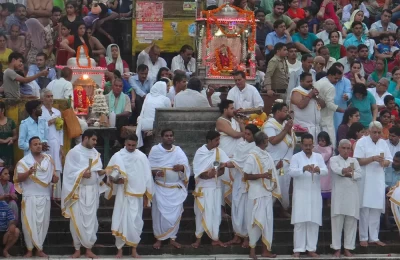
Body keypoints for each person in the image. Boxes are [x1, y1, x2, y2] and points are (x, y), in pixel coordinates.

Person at [61, 130, 108, 259]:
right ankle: (77, 249)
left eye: (96, 140)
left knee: (91, 221)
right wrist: (81, 174)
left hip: (92, 191)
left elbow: (98, 171)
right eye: (93, 139)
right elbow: (68, 173)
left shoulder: (95, 154)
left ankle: (88, 249)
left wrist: (103, 172)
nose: (95, 142)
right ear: (85, 138)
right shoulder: (74, 152)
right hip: (78, 192)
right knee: (77, 220)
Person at [106, 134, 153, 258]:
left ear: (137, 144)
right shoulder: (118, 156)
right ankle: (120, 250)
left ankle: (134, 250)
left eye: (133, 145)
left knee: (136, 222)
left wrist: (146, 196)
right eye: (129, 145)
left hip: (137, 195)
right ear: (124, 143)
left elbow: (147, 177)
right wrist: (116, 181)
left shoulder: (142, 157)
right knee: (120, 220)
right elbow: (110, 175)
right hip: (123, 194)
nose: (131, 147)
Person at [15, 136, 57, 258]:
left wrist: (55, 179)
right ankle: (29, 249)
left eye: (39, 144)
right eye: (35, 144)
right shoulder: (24, 162)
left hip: (44, 196)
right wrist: (28, 172)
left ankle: (39, 248)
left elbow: (53, 177)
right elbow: (18, 178)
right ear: (30, 146)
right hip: (29, 197)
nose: (38, 146)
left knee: (42, 223)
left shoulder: (48, 160)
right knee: (29, 223)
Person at [148, 129, 189, 249]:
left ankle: (172, 238)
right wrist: (156, 172)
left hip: (175, 189)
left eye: (171, 136)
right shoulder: (155, 150)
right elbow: (148, 167)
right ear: (162, 137)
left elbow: (186, 167)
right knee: (158, 214)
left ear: (174, 138)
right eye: (166, 136)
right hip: (160, 188)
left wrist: (181, 167)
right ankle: (159, 239)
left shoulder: (178, 151)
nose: (169, 137)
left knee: (175, 215)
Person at [289, 133, 328, 257]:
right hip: (300, 193)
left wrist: (318, 170)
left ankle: (311, 248)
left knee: (313, 221)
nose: (308, 147)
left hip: (314, 194)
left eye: (310, 145)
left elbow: (326, 171)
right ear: (301, 144)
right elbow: (291, 172)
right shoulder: (296, 157)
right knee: (300, 222)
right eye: (305, 145)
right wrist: (303, 169)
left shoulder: (318, 157)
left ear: (313, 144)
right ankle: (298, 249)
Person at [243, 131, 281, 259]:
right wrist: (262, 176)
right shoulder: (252, 156)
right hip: (256, 194)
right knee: (255, 221)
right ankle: (252, 251)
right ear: (264, 141)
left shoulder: (267, 155)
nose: (268, 141)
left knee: (268, 222)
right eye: (267, 139)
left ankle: (266, 250)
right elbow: (246, 175)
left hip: (266, 193)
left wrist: (276, 167)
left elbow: (269, 172)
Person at [354, 121, 392, 247]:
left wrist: (384, 163)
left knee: (376, 209)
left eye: (379, 132)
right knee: (364, 209)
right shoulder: (361, 142)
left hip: (378, 179)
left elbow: (389, 160)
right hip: (365, 180)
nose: (376, 135)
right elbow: (358, 160)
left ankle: (374, 237)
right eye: (374, 132)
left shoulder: (383, 143)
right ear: (369, 131)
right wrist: (372, 159)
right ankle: (363, 237)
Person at [192, 130, 229, 249]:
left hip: (216, 188)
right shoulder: (200, 152)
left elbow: (223, 169)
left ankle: (215, 238)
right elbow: (198, 172)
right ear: (209, 141)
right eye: (216, 140)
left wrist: (217, 172)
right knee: (201, 213)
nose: (218, 142)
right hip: (203, 188)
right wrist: (209, 175)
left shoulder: (220, 152)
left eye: (219, 140)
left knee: (215, 213)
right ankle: (198, 239)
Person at [224, 124, 259, 247]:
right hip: (239, 179)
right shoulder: (240, 145)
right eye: (245, 133)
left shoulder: (255, 148)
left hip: (249, 182)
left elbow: (242, 163)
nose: (246, 136)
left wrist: (229, 164)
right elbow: (236, 160)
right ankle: (237, 236)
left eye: (249, 134)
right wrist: (228, 163)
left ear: (255, 135)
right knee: (236, 207)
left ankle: (247, 237)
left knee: (246, 210)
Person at [330, 139, 362, 257]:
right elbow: (336, 170)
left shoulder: (353, 161)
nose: (346, 151)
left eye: (348, 148)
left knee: (351, 222)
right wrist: (346, 172)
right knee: (337, 223)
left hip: (352, 195)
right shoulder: (334, 159)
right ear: (339, 148)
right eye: (344, 148)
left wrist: (347, 173)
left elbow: (359, 174)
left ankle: (348, 248)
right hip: (338, 196)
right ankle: (337, 248)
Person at [263, 102, 294, 217]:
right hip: (276, 161)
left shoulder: (286, 124)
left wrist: (288, 128)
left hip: (287, 160)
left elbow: (290, 139)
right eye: (284, 111)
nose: (287, 113)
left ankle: (283, 208)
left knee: (285, 186)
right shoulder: (269, 125)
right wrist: (286, 129)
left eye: (287, 111)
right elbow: (273, 141)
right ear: (277, 112)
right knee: (277, 185)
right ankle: (269, 210)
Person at [216, 99, 244, 210]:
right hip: (225, 156)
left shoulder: (234, 120)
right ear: (225, 109)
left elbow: (244, 134)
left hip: (235, 157)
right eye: (231, 108)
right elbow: (235, 135)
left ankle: (233, 209)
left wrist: (241, 123)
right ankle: (222, 209)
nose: (234, 110)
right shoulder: (221, 121)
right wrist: (243, 130)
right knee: (224, 183)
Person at [40, 89, 63, 200]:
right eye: (48, 96)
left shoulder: (57, 112)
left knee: (56, 166)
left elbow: (60, 130)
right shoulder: (40, 111)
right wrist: (49, 122)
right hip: (46, 143)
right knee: (46, 166)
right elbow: (39, 126)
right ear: (43, 98)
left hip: (56, 143)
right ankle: (47, 194)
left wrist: (61, 146)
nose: (50, 98)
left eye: (51, 96)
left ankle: (57, 195)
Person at [314, 66, 345, 147]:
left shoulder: (319, 82)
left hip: (317, 117)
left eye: (338, 79)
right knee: (330, 143)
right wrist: (343, 111)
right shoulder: (330, 87)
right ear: (330, 75)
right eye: (335, 78)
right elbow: (330, 105)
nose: (337, 81)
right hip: (326, 119)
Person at [136, 81, 170, 148]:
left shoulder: (148, 96)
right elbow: (168, 115)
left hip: (143, 124)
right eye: (166, 87)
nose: (168, 89)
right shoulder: (166, 99)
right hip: (156, 125)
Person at [290, 72, 323, 141]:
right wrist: (310, 95)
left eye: (311, 81)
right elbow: (301, 105)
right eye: (308, 82)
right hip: (303, 127)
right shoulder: (296, 91)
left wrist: (316, 97)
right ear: (301, 81)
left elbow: (323, 105)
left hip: (316, 128)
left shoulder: (313, 91)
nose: (310, 83)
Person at [105, 77, 132, 145]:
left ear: (122, 88)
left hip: (120, 119)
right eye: (116, 85)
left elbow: (128, 112)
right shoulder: (106, 97)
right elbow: (104, 112)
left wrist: (115, 115)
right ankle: (114, 141)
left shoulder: (126, 97)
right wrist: (111, 117)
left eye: (120, 86)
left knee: (123, 119)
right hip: (108, 119)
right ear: (112, 86)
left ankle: (116, 140)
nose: (118, 87)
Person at [313, 131, 334, 203]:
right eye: (319, 140)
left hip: (327, 170)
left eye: (323, 140)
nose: (320, 142)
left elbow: (323, 158)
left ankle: (328, 202)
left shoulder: (329, 149)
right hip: (318, 170)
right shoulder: (316, 148)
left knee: (327, 185)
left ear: (327, 141)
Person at [331, 62, 352, 130]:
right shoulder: (328, 80)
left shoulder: (346, 81)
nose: (340, 73)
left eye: (341, 72)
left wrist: (347, 96)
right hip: (329, 110)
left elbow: (349, 92)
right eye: (338, 71)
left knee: (340, 129)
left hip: (341, 110)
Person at [0, 101, 16, 167]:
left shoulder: (11, 121)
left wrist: (12, 139)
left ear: (3, 110)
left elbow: (15, 135)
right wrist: (5, 141)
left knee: (8, 172)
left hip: (8, 150)